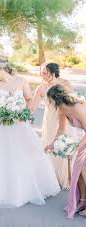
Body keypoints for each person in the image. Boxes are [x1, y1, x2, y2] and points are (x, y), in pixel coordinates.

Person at [0, 59, 60, 207]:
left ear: (1, 69)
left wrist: (21, 112)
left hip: (19, 125)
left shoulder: (22, 81)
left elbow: (29, 99)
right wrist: (4, 114)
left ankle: (27, 189)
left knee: (22, 155)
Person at [30, 62, 81, 189]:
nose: (43, 75)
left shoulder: (65, 84)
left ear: (53, 72)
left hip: (65, 117)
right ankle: (51, 178)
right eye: (41, 72)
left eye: (45, 72)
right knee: (50, 145)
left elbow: (74, 102)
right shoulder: (41, 88)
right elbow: (32, 108)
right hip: (50, 121)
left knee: (65, 144)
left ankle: (67, 178)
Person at [45, 84, 86, 219]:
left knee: (84, 171)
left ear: (55, 98)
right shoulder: (62, 110)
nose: (48, 103)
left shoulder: (77, 108)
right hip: (82, 142)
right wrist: (52, 144)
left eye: (49, 100)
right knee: (78, 172)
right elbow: (61, 130)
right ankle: (82, 201)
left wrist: (75, 147)